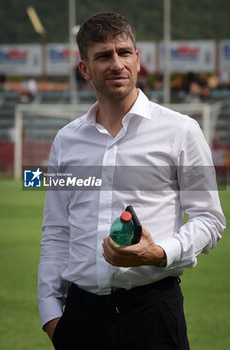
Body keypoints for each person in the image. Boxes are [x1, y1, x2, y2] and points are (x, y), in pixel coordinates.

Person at [38, 12, 226, 350]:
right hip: (82, 317)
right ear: (85, 69)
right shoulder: (66, 141)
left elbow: (209, 219)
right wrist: (51, 313)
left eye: (124, 52)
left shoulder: (181, 131)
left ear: (137, 60)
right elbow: (57, 231)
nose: (116, 63)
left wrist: (158, 253)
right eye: (103, 56)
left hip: (152, 314)